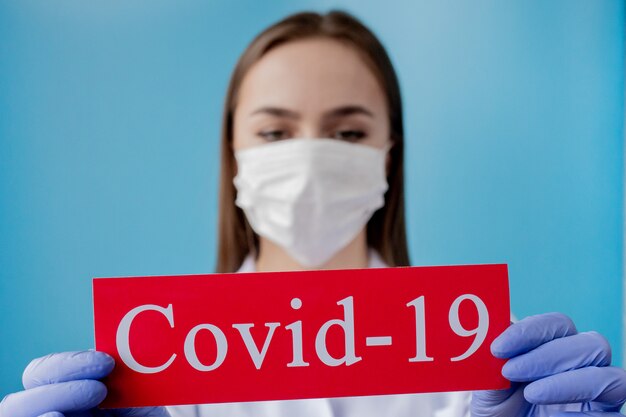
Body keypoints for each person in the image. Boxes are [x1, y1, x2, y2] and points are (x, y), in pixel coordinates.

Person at [1, 9, 625, 417]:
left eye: (347, 134)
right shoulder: (151, 372)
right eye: (275, 133)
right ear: (234, 155)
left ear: (389, 155)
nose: (308, 160)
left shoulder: (492, 359)